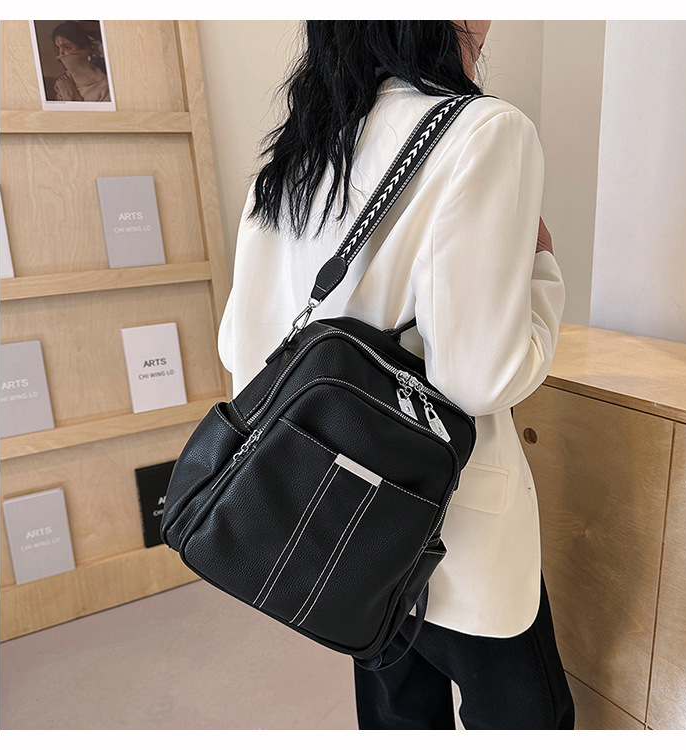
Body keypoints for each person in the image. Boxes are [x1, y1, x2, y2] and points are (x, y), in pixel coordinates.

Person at [217, 21, 574, 730]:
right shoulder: (484, 130)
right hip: (453, 522)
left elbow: (245, 351)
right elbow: (479, 378)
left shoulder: (299, 150)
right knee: (530, 718)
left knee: (396, 718)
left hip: (342, 523)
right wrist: (542, 270)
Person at [51, 21, 110, 102]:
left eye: (67, 47)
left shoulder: (105, 87)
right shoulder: (63, 81)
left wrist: (69, 93)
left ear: (84, 48)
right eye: (58, 48)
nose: (61, 54)